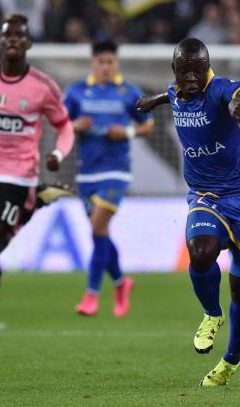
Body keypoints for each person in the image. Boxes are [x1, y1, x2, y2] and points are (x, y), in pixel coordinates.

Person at [136, 37, 240, 386]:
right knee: (200, 252)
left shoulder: (218, 89)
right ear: (176, 71)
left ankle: (230, 361)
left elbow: (238, 93)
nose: (194, 77)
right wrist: (153, 101)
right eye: (186, 71)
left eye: (200, 69)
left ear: (208, 67)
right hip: (206, 194)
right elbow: (172, 95)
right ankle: (211, 314)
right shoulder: (177, 91)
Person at [0, 14, 75, 349]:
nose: (14, 41)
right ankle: (34, 206)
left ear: (28, 43)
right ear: (1, 42)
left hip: (19, 178)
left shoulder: (42, 86)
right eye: (9, 36)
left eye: (20, 36)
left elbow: (65, 127)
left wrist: (58, 157)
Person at [63, 39, 154, 318]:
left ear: (117, 64)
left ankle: (91, 295)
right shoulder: (77, 92)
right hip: (86, 173)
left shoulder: (129, 93)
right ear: (93, 63)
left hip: (116, 171)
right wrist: (74, 125)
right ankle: (121, 282)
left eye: (110, 62)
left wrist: (126, 133)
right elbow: (60, 125)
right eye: (101, 62)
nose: (105, 66)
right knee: (100, 232)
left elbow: (148, 125)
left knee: (96, 228)